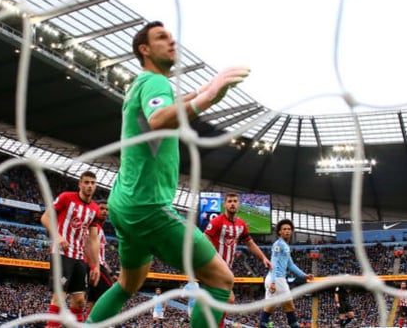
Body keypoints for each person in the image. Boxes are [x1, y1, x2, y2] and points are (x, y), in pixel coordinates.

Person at [86, 21, 250, 328]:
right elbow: (159, 119)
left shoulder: (141, 84)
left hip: (124, 203)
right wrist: (208, 97)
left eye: (172, 37)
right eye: (162, 38)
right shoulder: (155, 82)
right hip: (149, 208)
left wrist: (200, 90)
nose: (172, 42)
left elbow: (164, 108)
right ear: (144, 49)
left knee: (127, 284)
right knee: (221, 281)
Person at [41, 171, 102, 327]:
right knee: (59, 297)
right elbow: (45, 217)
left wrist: (95, 265)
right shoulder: (66, 198)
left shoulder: (95, 209)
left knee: (80, 301)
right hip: (61, 254)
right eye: (86, 182)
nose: (89, 186)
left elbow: (92, 239)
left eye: (92, 183)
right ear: (80, 184)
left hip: (79, 257)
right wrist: (58, 236)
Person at [204, 192, 273, 328]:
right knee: (228, 299)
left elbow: (250, 243)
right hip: (215, 267)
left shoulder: (241, 225)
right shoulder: (217, 221)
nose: (232, 203)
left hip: (227, 268)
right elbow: (204, 238)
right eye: (229, 201)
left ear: (239, 204)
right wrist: (209, 258)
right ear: (224, 204)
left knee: (224, 301)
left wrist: (263, 258)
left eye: (235, 201)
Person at [258, 219, 313, 328]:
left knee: (270, 307)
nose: (287, 231)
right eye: (284, 229)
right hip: (277, 279)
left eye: (289, 229)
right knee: (289, 306)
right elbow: (273, 263)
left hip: (275, 279)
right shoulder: (278, 244)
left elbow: (291, 265)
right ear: (279, 232)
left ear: (292, 231)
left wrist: (304, 275)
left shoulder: (285, 246)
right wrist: (273, 282)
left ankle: (262, 324)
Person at [86, 204, 116, 318]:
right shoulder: (95, 228)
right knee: (110, 295)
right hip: (95, 267)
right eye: (101, 208)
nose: (105, 211)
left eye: (107, 209)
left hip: (98, 266)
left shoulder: (99, 229)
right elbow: (89, 248)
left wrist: (111, 273)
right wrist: (94, 267)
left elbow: (101, 256)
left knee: (92, 302)